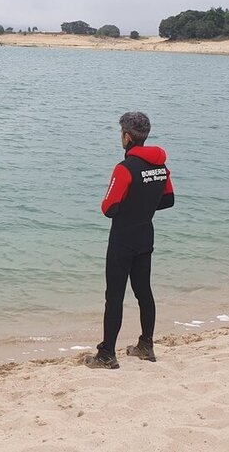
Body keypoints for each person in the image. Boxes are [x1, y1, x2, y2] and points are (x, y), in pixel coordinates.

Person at [84, 112, 174, 369]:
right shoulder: (161, 167)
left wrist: (129, 206)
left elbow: (108, 208)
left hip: (122, 238)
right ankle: (146, 345)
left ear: (127, 136)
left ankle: (107, 354)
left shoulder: (124, 169)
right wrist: (142, 207)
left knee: (114, 296)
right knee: (143, 291)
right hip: (145, 235)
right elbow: (168, 200)